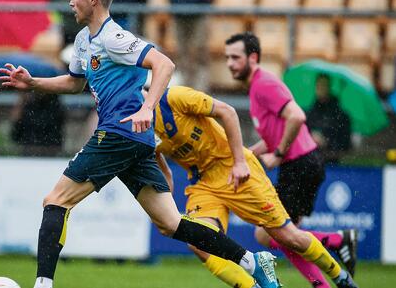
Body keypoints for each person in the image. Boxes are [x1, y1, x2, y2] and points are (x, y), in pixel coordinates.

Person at [0, 0, 281, 288]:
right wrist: (34, 82)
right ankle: (252, 261)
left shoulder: (113, 37)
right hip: (135, 140)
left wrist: (148, 107)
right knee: (171, 223)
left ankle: (42, 285)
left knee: (56, 201)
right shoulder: (82, 40)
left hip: (118, 133)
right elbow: (75, 83)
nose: (70, 2)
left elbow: (164, 64)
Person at [151, 85, 359, 288]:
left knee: (288, 237)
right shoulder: (138, 127)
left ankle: (339, 276)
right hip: (202, 183)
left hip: (233, 168)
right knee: (198, 244)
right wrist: (164, 202)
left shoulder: (174, 98)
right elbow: (165, 172)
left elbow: (228, 112)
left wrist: (240, 162)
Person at [225, 32, 359, 288]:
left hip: (300, 165)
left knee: (270, 234)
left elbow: (296, 116)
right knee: (285, 237)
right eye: (227, 58)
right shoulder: (257, 88)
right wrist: (244, 156)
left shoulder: (264, 84)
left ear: (253, 58)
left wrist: (278, 154)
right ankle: (326, 275)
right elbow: (273, 134)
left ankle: (335, 241)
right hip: (300, 165)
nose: (230, 63)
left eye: (235, 57)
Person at [167, 0, 220, 90]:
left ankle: (200, 92)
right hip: (179, 10)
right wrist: (175, 0)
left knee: (199, 52)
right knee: (181, 53)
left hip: (199, 11)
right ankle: (184, 92)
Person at [306, 74, 352, 164]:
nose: (321, 88)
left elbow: (345, 145)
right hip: (309, 164)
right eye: (318, 85)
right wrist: (310, 139)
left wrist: (326, 142)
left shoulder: (341, 116)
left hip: (332, 164)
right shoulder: (308, 114)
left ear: (329, 87)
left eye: (324, 85)